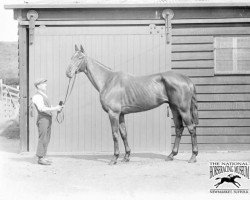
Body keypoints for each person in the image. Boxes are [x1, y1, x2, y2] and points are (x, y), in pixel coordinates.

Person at [32, 78, 63, 165]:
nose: (45, 85)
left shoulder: (44, 95)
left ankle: (43, 156)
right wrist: (55, 108)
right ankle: (40, 158)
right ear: (38, 86)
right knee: (43, 138)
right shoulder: (37, 96)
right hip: (43, 119)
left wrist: (57, 107)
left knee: (47, 138)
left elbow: (47, 106)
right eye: (43, 84)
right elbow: (42, 108)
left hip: (47, 118)